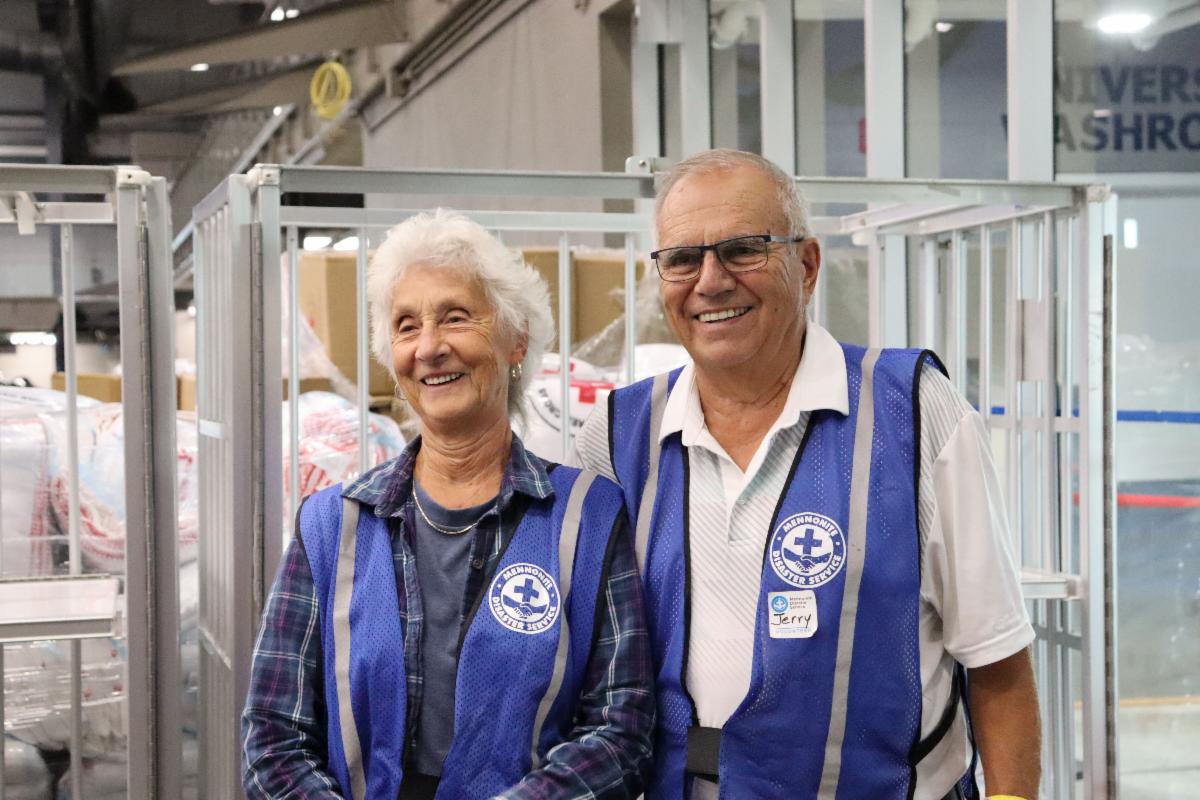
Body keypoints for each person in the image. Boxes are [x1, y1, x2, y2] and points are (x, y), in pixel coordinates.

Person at [575, 149, 1041, 800]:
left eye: (743, 249)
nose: (710, 281)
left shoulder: (914, 413)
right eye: (682, 258)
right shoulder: (618, 438)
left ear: (808, 264)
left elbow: (998, 663)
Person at [243, 210, 654, 800]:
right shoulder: (331, 525)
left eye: (455, 318)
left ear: (517, 341)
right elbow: (273, 735)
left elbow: (622, 729)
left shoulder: (588, 515)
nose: (430, 347)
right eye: (406, 327)